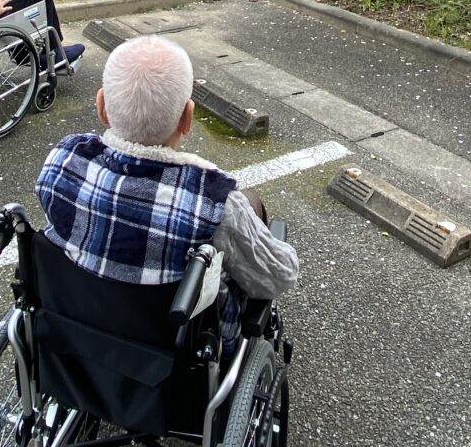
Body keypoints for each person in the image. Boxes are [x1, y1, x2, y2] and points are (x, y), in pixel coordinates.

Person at [36, 34, 298, 355]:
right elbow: (280, 276)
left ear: (102, 107)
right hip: (170, 357)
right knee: (251, 204)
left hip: (73, 327)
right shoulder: (213, 203)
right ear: (187, 117)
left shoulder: (63, 161)